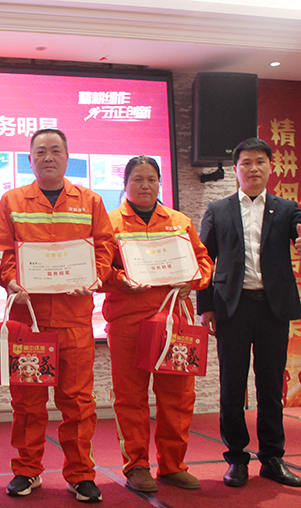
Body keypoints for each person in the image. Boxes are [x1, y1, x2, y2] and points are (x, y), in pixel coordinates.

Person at [0, 128, 115, 503]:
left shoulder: (90, 201)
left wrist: (95, 276)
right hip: (28, 318)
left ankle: (81, 474)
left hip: (74, 319)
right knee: (27, 402)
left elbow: (105, 246)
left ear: (67, 157)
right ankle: (27, 470)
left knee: (78, 403)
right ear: (30, 160)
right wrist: (10, 279)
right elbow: (1, 250)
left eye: (56, 150)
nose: (48, 157)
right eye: (41, 151)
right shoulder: (13, 200)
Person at [198, 137, 301, 489]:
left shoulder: (285, 209)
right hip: (231, 308)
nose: (253, 168)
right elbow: (204, 261)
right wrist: (206, 308)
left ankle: (272, 458)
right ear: (235, 169)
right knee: (232, 386)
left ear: (271, 166)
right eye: (246, 163)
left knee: (270, 386)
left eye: (260, 162)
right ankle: (236, 458)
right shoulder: (218, 209)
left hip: (273, 308)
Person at [101, 156, 214, 493]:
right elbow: (99, 269)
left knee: (178, 397)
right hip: (127, 322)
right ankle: (136, 466)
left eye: (151, 179)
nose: (145, 185)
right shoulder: (110, 223)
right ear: (125, 184)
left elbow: (204, 262)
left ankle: (172, 466)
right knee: (130, 398)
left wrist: (193, 280)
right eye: (138, 179)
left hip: (174, 321)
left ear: (160, 183)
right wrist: (121, 280)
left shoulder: (179, 221)